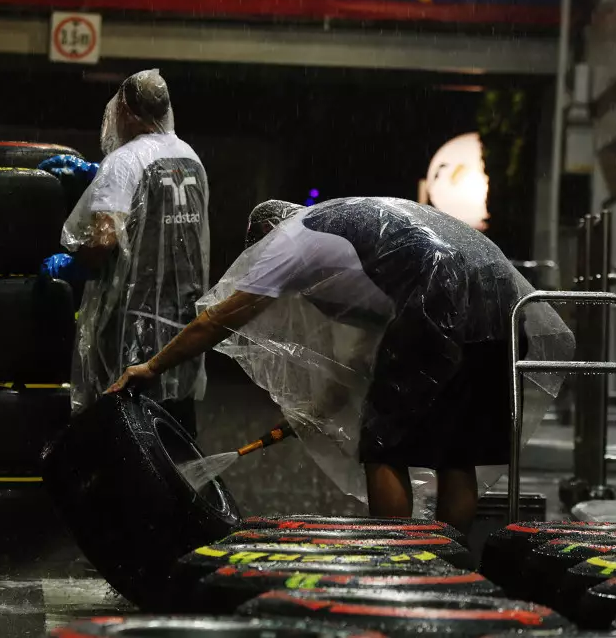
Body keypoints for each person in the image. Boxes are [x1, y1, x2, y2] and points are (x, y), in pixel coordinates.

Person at [108, 196, 573, 534]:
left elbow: (219, 321)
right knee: (457, 449)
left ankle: (398, 558)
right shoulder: (358, 229)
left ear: (264, 237)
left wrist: (153, 366)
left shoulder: (290, 240)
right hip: (500, 295)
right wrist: (315, 411)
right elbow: (371, 350)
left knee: (383, 448)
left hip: (442, 292)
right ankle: (451, 564)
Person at [39, 69, 210, 438]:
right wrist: (97, 176)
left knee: (127, 427)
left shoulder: (124, 161)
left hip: (131, 321)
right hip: (182, 318)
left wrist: (72, 265)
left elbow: (104, 239)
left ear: (130, 113)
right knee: (175, 427)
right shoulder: (190, 157)